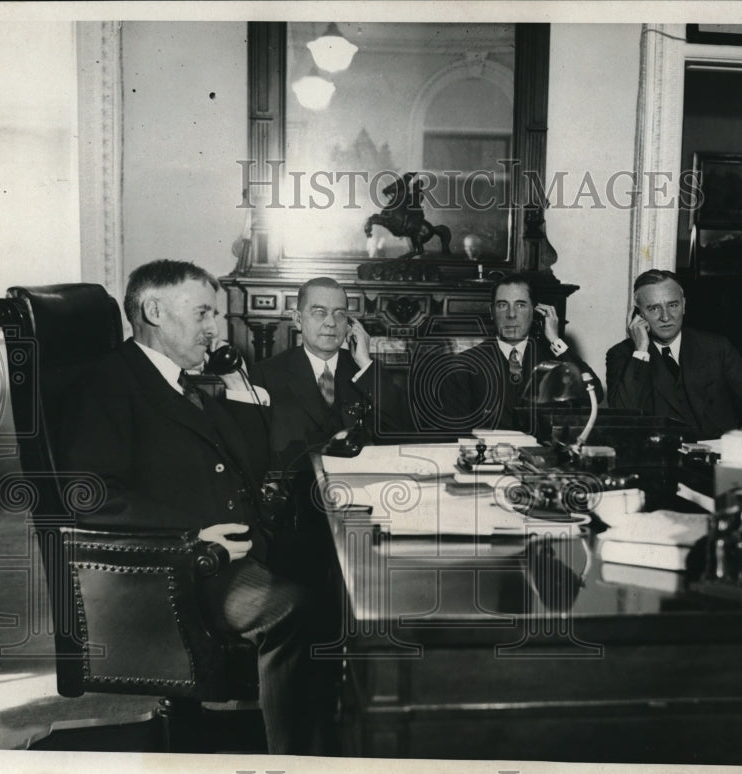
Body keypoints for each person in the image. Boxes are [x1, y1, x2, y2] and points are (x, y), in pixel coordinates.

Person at [58, 260, 333, 755]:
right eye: (204, 313)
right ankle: (297, 759)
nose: (216, 328)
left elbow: (250, 464)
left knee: (341, 577)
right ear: (154, 310)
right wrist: (193, 536)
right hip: (177, 570)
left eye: (218, 316)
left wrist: (238, 388)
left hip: (230, 550)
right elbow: (89, 496)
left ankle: (326, 727)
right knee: (295, 609)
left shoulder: (182, 381)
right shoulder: (108, 383)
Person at [249, 277, 406, 470]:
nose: (331, 323)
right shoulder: (265, 374)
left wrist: (365, 364)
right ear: (298, 320)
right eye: (319, 313)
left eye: (340, 314)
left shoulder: (367, 371)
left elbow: (398, 433)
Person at [605, 269, 742, 439]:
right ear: (638, 314)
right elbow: (622, 418)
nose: (666, 317)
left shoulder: (715, 348)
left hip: (716, 458)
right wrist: (641, 349)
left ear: (684, 305)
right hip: (659, 461)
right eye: (654, 308)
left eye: (673, 305)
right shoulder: (622, 355)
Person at [440, 274, 603, 434]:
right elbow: (457, 434)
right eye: (502, 305)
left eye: (520, 305)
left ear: (534, 311)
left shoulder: (550, 361)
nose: (511, 314)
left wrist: (555, 340)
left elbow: (594, 395)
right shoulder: (464, 365)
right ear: (492, 312)